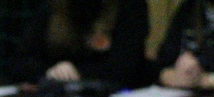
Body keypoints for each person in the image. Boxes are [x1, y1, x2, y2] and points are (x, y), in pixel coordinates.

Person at [10, 0, 151, 90]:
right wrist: (50, 71)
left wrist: (77, 72)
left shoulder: (130, 6)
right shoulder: (52, 6)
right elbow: (20, 62)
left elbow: (127, 68)